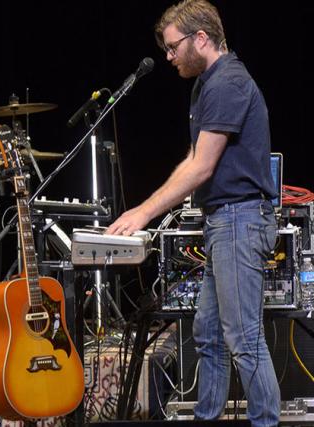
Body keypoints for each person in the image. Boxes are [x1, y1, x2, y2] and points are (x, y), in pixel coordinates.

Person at [106, 1, 279, 425]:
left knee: (244, 340)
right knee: (208, 333)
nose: (169, 56)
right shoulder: (207, 83)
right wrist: (154, 207)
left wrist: (144, 212)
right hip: (223, 221)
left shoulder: (228, 83)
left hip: (240, 220)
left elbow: (202, 167)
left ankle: (266, 421)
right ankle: (207, 416)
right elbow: (195, 157)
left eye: (173, 47)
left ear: (201, 38)